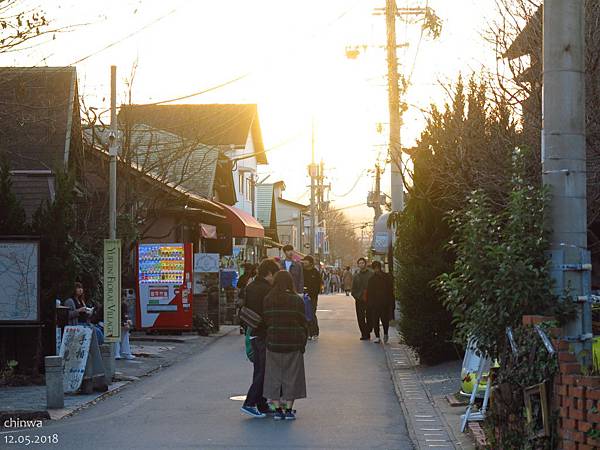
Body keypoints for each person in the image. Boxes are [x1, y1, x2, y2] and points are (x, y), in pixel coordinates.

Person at [262, 270, 308, 420]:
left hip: (274, 342)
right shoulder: (296, 300)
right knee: (292, 376)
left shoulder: (268, 299)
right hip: (293, 343)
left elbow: (266, 320)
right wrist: (303, 341)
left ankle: (276, 409)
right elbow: (303, 321)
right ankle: (288, 409)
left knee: (273, 376)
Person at [240, 258, 280, 419]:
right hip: (264, 333)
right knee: (263, 371)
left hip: (254, 332)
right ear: (269, 273)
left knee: (260, 369)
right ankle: (249, 403)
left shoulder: (251, 286)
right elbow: (269, 312)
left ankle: (262, 404)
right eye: (274, 274)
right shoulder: (266, 289)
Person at [366, 261, 395, 344]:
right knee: (375, 320)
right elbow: (369, 292)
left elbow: (390, 290)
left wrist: (390, 301)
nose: (376, 270)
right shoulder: (372, 279)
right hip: (376, 303)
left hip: (384, 303)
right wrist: (370, 303)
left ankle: (385, 333)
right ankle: (378, 336)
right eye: (375, 268)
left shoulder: (386, 277)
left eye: (377, 268)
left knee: (384, 320)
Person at [351, 258, 373, 340]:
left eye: (362, 263)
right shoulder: (356, 275)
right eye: (359, 263)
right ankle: (364, 333)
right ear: (358, 265)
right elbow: (353, 289)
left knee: (370, 316)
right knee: (360, 317)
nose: (361, 264)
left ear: (365, 264)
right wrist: (357, 296)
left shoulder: (371, 274)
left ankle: (369, 329)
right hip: (359, 299)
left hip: (370, 298)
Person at [302, 255, 322, 340]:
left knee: (312, 313)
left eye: (306, 261)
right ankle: (307, 333)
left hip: (313, 297)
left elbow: (318, 285)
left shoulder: (315, 272)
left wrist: (314, 293)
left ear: (310, 262)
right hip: (303, 295)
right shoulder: (302, 271)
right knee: (304, 314)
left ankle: (314, 332)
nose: (304, 262)